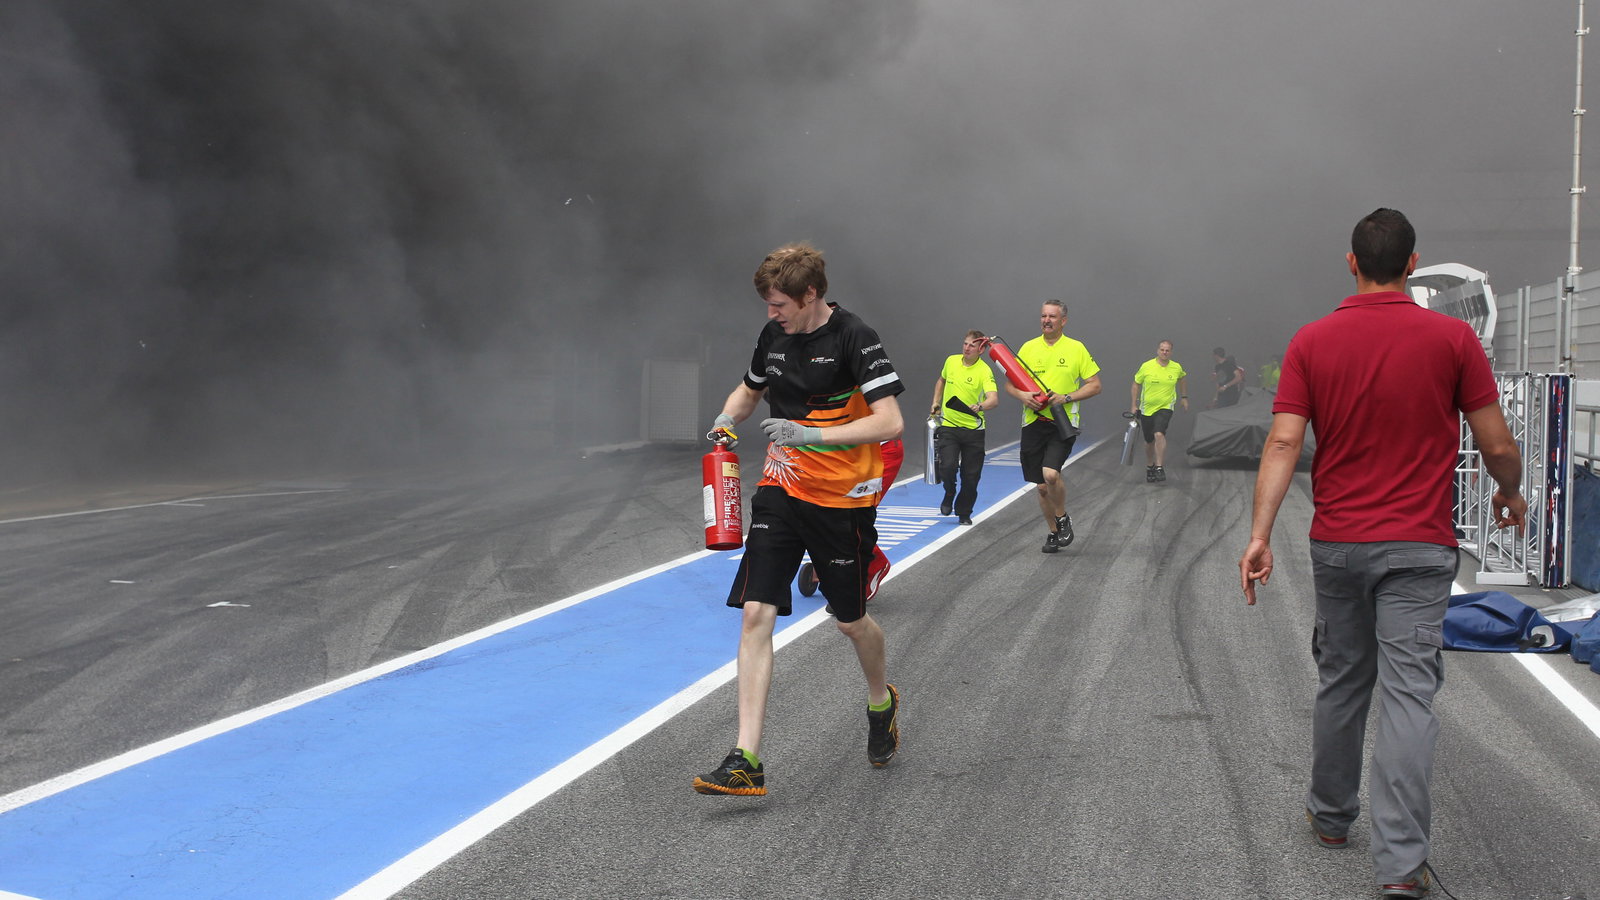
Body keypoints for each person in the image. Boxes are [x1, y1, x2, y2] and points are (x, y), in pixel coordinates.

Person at [1238, 209, 1526, 898]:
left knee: (1342, 680)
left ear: (1350, 262)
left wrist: (1258, 534)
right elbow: (1498, 445)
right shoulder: (1454, 340)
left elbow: (1282, 443)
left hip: (1338, 544)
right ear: (1413, 263)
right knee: (1408, 698)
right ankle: (1401, 866)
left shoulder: (1313, 341)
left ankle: (1332, 816)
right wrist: (1509, 493)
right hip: (1420, 549)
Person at [695, 242, 905, 797]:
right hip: (780, 488)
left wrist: (812, 435)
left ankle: (880, 701)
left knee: (850, 621)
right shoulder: (773, 337)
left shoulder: (855, 337)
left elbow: (890, 421)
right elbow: (750, 389)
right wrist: (725, 417)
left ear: (811, 294)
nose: (772, 315)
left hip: (840, 500)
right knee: (756, 612)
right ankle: (747, 760)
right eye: (767, 305)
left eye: (779, 304)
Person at [1005, 299, 1101, 554]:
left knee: (1050, 474)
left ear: (1063, 321)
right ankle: (1053, 532)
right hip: (1033, 422)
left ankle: (1062, 517)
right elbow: (1009, 384)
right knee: (1042, 487)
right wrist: (1023, 397)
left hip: (1062, 422)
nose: (1046, 320)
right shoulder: (1027, 348)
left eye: (1052, 317)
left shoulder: (1076, 348)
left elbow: (1095, 385)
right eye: (1043, 316)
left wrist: (1066, 397)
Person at [929, 330, 999, 524]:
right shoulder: (951, 361)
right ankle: (949, 491)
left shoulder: (984, 370)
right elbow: (941, 380)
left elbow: (993, 399)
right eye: (965, 344)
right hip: (949, 425)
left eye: (972, 346)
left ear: (981, 349)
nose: (967, 348)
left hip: (974, 430)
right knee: (948, 466)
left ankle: (964, 512)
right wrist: (936, 401)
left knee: (971, 476)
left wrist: (980, 406)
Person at [1130, 339, 1188, 483]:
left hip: (1165, 406)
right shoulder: (1147, 366)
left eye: (1167, 350)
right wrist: (1133, 404)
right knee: (1149, 441)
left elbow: (1182, 379)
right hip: (1147, 408)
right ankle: (1150, 466)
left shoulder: (1176, 367)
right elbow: (1136, 384)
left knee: (1159, 433)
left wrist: (1184, 397)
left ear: (1171, 352)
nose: (1164, 352)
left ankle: (1159, 467)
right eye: (1162, 350)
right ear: (1158, 350)